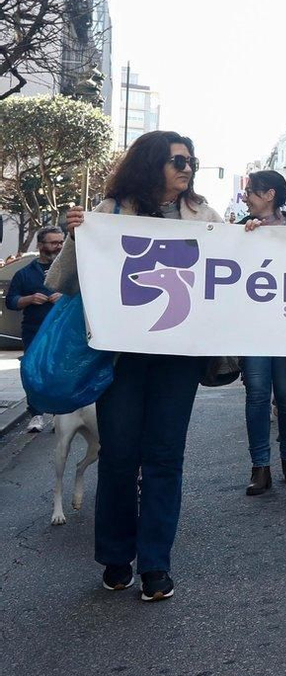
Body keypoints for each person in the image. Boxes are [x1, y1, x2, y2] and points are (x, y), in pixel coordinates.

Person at [52, 130, 222, 601]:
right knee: (120, 457)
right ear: (151, 165)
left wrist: (247, 238)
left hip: (177, 359)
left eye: (191, 160)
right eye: (176, 161)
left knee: (165, 458)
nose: (187, 168)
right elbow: (66, 283)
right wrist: (77, 236)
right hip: (119, 359)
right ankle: (114, 558)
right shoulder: (107, 214)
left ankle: (155, 565)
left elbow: (235, 278)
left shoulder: (206, 217)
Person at [237, 171, 286, 495]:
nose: (246, 198)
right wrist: (244, 239)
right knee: (256, 395)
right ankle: (260, 466)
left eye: (250, 192)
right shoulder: (240, 231)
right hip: (252, 327)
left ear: (269, 195)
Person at [5, 226, 65, 433]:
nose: (59, 246)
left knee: (59, 371)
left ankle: (60, 414)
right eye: (54, 242)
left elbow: (85, 295)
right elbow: (11, 301)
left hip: (62, 330)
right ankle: (36, 414)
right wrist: (28, 299)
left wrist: (66, 297)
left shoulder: (70, 270)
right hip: (34, 330)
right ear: (40, 245)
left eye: (61, 242)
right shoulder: (24, 274)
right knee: (32, 371)